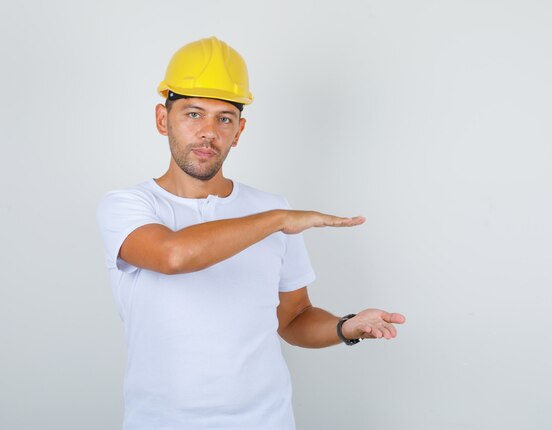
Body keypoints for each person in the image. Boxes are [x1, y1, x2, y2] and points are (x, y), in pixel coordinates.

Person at [97, 36, 405, 430]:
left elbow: (293, 318)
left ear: (239, 130)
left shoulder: (271, 210)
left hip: (267, 420)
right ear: (162, 119)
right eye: (193, 114)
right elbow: (171, 256)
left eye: (224, 118)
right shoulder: (127, 205)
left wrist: (346, 327)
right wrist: (277, 219)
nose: (208, 131)